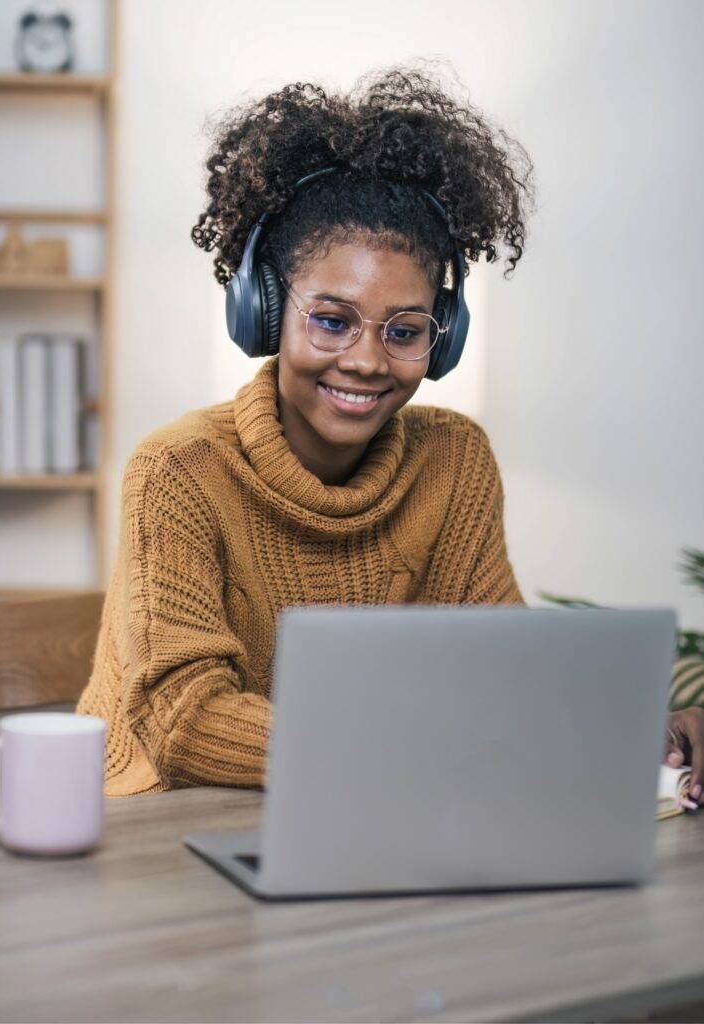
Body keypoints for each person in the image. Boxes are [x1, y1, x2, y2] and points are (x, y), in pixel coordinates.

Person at [76, 64, 704, 802]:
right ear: (263, 309)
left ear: (443, 341)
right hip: (159, 832)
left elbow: (508, 670)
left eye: (405, 330)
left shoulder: (454, 461)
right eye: (332, 320)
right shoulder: (178, 472)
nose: (368, 361)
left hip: (372, 813)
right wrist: (419, 748)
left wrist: (645, 731)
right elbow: (183, 722)